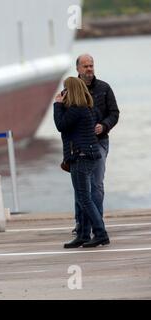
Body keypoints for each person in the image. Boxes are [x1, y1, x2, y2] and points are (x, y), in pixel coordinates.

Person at [54, 77, 110, 248]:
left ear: (71, 90)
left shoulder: (76, 109)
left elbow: (60, 125)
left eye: (66, 90)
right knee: (82, 197)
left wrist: (57, 104)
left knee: (84, 198)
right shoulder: (88, 107)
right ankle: (83, 235)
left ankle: (100, 233)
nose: (64, 93)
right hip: (89, 156)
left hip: (80, 156)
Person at [72, 54, 120, 235]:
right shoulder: (70, 90)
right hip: (78, 145)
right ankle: (81, 225)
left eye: (91, 65)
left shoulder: (104, 88)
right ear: (77, 68)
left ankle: (97, 223)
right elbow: (65, 122)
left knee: (96, 184)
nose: (89, 69)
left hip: (100, 142)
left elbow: (114, 113)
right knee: (80, 185)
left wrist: (104, 125)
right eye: (85, 66)